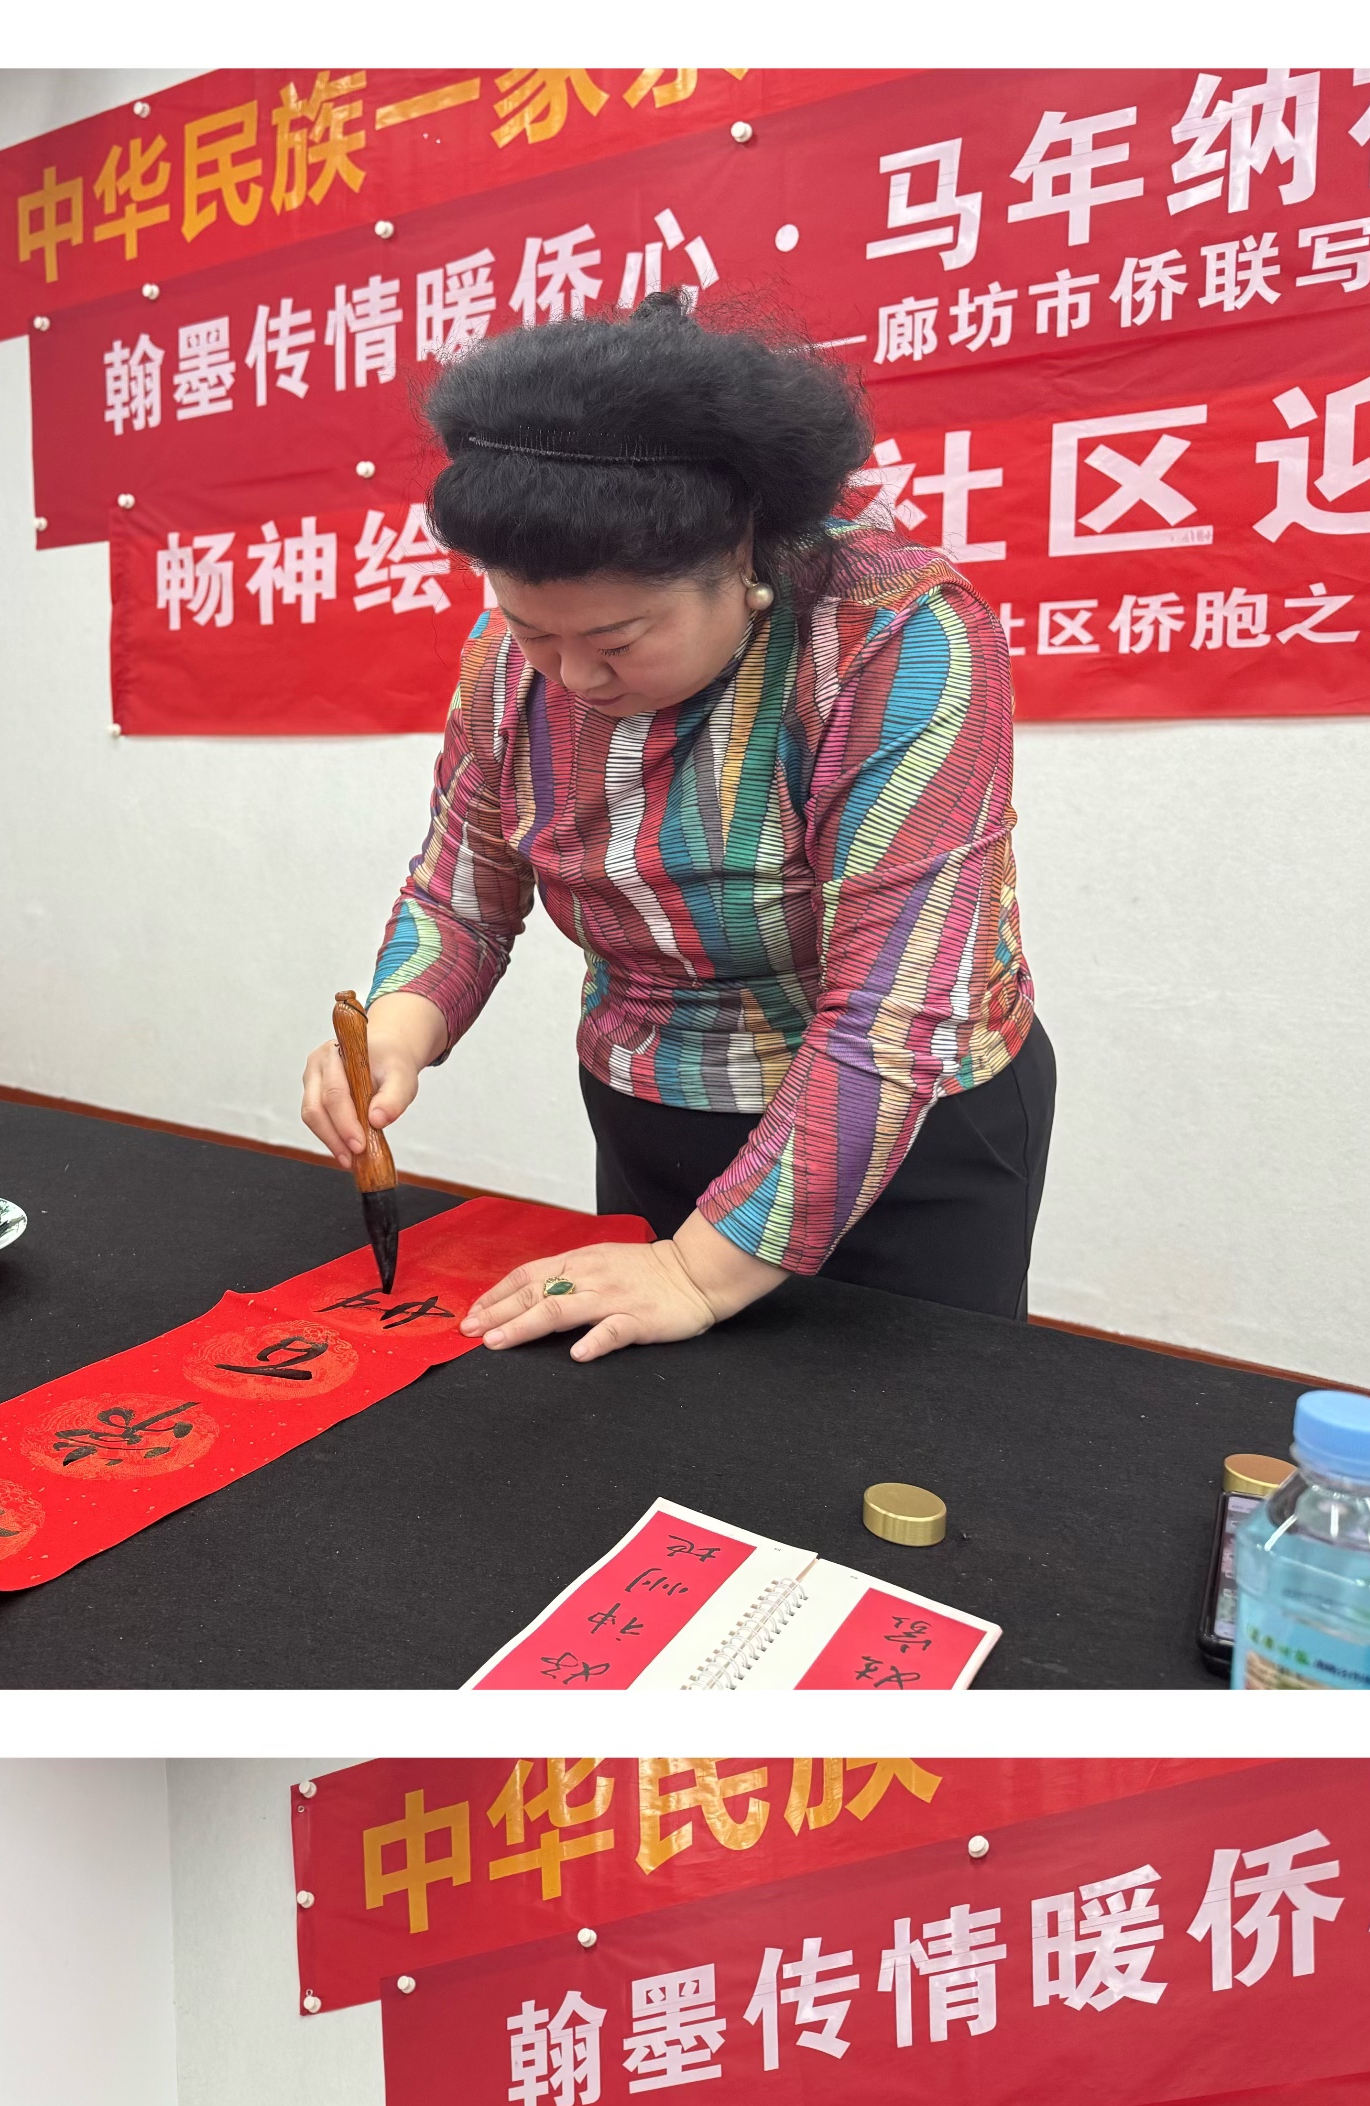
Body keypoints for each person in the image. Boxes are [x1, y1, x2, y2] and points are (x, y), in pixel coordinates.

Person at [291, 296, 1050, 1359]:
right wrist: (395, 1031)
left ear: (741, 557)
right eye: (531, 630)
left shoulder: (895, 637)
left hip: (901, 1132)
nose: (571, 675)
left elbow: (893, 1011)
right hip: (650, 1109)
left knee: (895, 1431)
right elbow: (460, 895)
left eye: (617, 639)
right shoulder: (513, 663)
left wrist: (698, 1270)